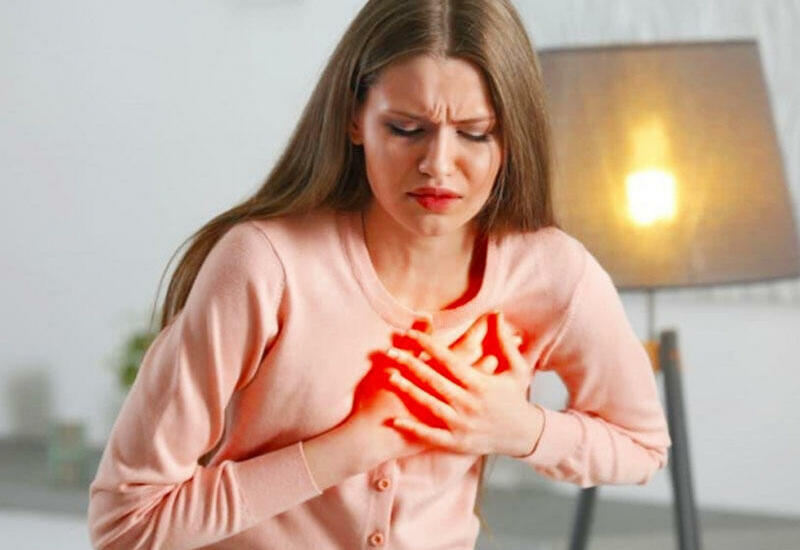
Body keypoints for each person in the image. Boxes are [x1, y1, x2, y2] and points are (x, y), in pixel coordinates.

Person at [87, 0, 672, 548]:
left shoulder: (553, 273)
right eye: (406, 128)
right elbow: (126, 522)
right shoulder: (265, 265)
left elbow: (642, 446)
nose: (438, 165)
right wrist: (349, 448)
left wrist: (515, 427)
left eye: (475, 133)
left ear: (511, 137)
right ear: (355, 119)